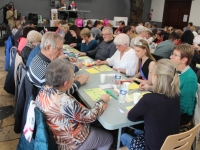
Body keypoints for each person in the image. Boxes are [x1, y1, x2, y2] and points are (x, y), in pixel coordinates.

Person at [35, 58, 113, 150]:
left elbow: (60, 92)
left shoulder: (44, 89)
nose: (74, 77)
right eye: (72, 76)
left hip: (55, 133)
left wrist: (74, 80)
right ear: (65, 83)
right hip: (70, 141)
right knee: (108, 138)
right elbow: (90, 117)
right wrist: (102, 100)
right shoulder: (65, 101)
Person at [120, 59, 180, 150]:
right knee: (137, 132)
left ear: (156, 77)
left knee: (123, 136)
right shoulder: (176, 96)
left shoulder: (148, 99)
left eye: (152, 73)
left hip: (152, 147)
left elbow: (131, 117)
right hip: (171, 144)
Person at [170, 44, 197, 125]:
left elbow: (184, 107)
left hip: (182, 115)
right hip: (172, 105)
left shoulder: (190, 79)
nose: (171, 57)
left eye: (175, 55)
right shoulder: (176, 69)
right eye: (172, 54)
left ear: (184, 60)